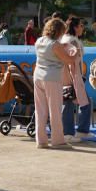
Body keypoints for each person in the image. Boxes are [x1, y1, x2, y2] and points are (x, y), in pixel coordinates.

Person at [33, 18, 78, 148]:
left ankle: (41, 141)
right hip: (52, 79)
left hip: (38, 76)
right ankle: (58, 141)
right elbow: (69, 60)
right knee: (55, 110)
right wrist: (76, 52)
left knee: (40, 110)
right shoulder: (55, 44)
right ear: (59, 31)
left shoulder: (39, 41)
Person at [61, 15, 94, 142]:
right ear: (75, 28)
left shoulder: (66, 38)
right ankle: (74, 132)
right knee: (82, 103)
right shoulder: (74, 42)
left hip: (67, 77)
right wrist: (78, 80)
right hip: (73, 77)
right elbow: (75, 62)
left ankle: (74, 131)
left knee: (70, 104)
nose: (82, 28)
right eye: (81, 25)